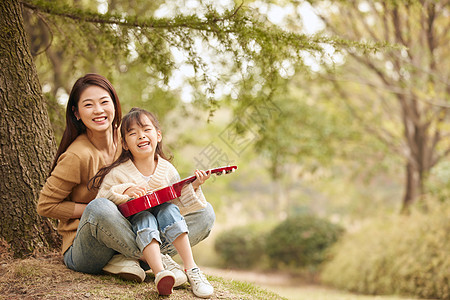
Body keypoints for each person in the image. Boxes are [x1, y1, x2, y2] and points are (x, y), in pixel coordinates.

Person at [37, 74, 215, 286]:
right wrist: (110, 209)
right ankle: (159, 262)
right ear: (76, 113)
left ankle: (133, 259)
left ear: (114, 104)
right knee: (100, 207)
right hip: (89, 246)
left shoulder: (128, 138)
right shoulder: (78, 155)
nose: (99, 110)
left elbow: (153, 184)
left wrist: (189, 188)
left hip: (134, 228)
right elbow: (45, 206)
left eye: (104, 102)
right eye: (88, 105)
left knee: (204, 214)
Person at [90, 107, 214, 297]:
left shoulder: (168, 170)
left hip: (160, 231)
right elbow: (100, 208)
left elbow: (178, 207)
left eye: (146, 130)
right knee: (144, 216)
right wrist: (126, 191)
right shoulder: (118, 173)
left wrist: (194, 186)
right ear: (124, 144)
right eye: (133, 133)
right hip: (131, 231)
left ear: (158, 135)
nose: (141, 136)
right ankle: (160, 271)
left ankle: (192, 269)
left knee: (169, 210)